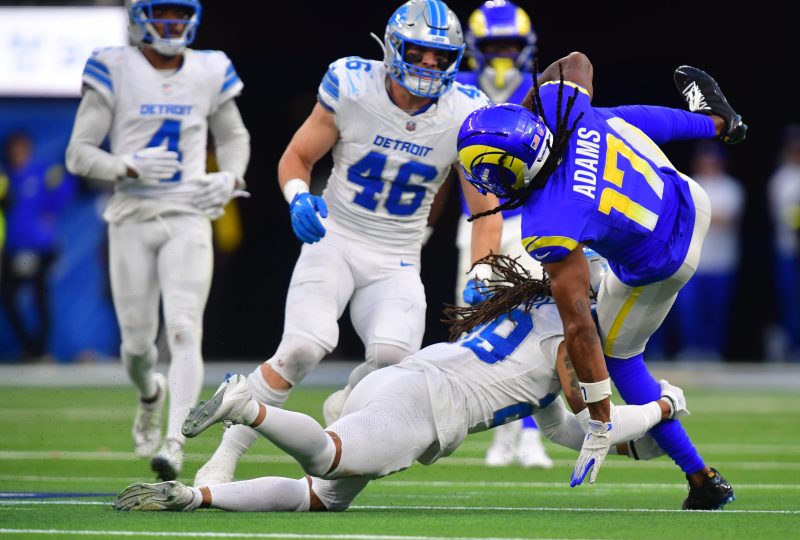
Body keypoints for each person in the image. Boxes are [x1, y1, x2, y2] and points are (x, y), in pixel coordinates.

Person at [191, 0, 502, 488]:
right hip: (335, 238)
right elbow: (297, 157)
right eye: (418, 53)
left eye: (440, 56)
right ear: (393, 48)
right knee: (302, 348)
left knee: (394, 363)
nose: (428, 64)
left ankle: (346, 402)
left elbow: (485, 209)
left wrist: (484, 271)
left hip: (398, 256)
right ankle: (224, 458)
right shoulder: (353, 85)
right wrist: (298, 197)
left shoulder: (467, 110)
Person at [114, 253, 689, 513]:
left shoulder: (535, 309)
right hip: (422, 406)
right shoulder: (573, 336)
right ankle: (247, 407)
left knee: (318, 498)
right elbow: (594, 416)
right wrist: (661, 407)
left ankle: (197, 496)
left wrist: (638, 441)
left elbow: (564, 429)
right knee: (328, 458)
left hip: (406, 381)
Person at [456, 53, 743, 509]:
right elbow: (576, 62)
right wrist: (530, 108)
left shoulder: (547, 223)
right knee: (604, 120)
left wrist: (600, 415)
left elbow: (578, 327)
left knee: (618, 357)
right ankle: (716, 123)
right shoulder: (558, 109)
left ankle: (701, 477)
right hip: (687, 196)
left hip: (662, 258)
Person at [65, 0, 251, 481]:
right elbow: (78, 154)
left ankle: (175, 444)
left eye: (179, 13)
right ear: (139, 16)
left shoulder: (210, 67)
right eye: (162, 13)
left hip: (188, 210)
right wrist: (125, 165)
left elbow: (234, 136)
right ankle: (150, 391)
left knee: (185, 328)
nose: (173, 23)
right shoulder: (114, 66)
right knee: (136, 345)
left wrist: (229, 177)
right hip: (132, 214)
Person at [454, 0, 552, 469]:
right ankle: (500, 433)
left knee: (533, 324)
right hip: (477, 222)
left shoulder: (542, 90)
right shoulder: (458, 89)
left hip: (529, 218)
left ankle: (531, 433)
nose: (501, 54)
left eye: (509, 45)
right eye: (493, 45)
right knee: (480, 326)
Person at [1, 131, 78, 361]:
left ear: (29, 150)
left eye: (22, 148)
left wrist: (53, 205)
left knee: (40, 296)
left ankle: (41, 350)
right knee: (8, 297)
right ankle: (30, 347)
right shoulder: (7, 177)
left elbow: (62, 194)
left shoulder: (41, 172)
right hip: (14, 249)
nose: (18, 153)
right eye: (14, 149)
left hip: (40, 248)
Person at [671, 141, 744, 361]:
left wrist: (699, 217)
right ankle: (691, 349)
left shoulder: (731, 187)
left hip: (722, 261)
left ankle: (712, 351)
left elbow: (727, 219)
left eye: (712, 160)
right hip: (692, 261)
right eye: (704, 159)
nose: (708, 164)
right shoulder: (689, 184)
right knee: (689, 310)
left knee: (716, 310)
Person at [767, 125, 800, 361]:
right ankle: (791, 346)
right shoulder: (780, 179)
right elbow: (783, 215)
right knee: (790, 300)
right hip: (788, 249)